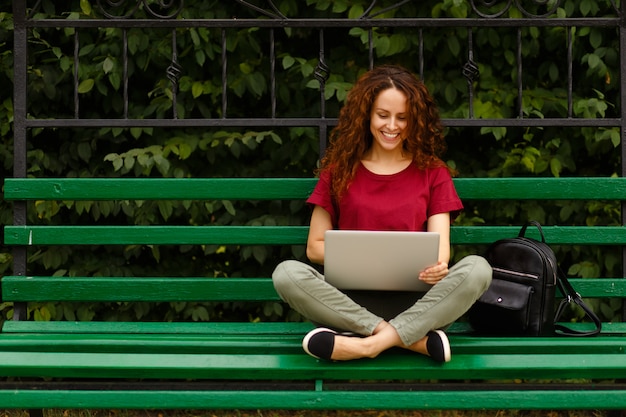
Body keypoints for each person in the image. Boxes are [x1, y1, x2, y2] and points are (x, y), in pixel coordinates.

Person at [272, 64, 492, 363]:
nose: (392, 126)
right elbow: (314, 248)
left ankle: (366, 345)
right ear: (367, 116)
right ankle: (409, 340)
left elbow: (440, 254)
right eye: (383, 115)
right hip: (349, 304)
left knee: (478, 268)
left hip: (419, 305)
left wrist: (439, 268)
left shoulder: (433, 173)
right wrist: (370, 257)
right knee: (286, 274)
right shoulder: (338, 172)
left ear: (415, 120)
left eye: (403, 117)